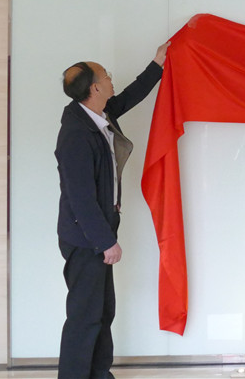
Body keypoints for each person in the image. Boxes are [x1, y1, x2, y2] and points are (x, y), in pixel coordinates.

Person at [55, 42, 168, 379]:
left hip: (98, 231)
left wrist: (158, 64)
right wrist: (105, 241)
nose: (111, 79)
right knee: (85, 316)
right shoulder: (76, 134)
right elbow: (81, 197)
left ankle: (99, 374)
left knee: (103, 312)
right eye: (106, 76)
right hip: (85, 238)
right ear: (95, 88)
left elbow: (130, 96)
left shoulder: (98, 116)